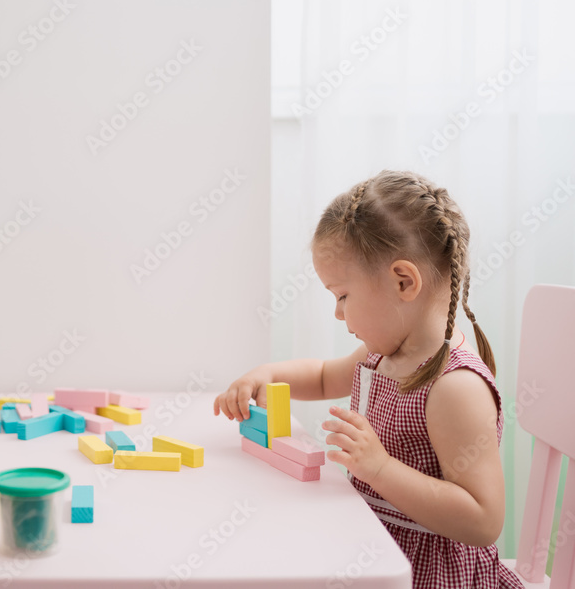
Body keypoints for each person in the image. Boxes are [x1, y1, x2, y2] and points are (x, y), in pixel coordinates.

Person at [214, 170, 522, 588]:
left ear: (403, 282)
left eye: (342, 295)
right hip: (372, 545)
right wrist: (266, 374)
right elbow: (323, 377)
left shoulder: (455, 388)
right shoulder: (384, 353)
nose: (338, 313)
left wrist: (378, 468)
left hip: (426, 572)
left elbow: (484, 519)